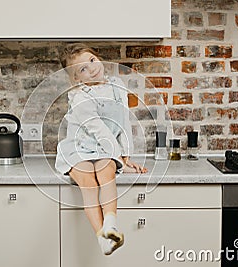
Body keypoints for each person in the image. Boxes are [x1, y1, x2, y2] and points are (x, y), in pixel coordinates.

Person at [55, 43, 147, 256]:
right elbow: (100, 132)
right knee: (88, 181)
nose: (92, 68)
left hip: (105, 149)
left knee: (106, 172)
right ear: (76, 79)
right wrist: (120, 160)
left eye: (92, 61)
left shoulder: (117, 86)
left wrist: (125, 156)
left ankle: (111, 225)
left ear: (98, 58)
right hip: (79, 149)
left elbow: (124, 122)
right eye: (83, 69)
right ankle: (102, 238)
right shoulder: (80, 97)